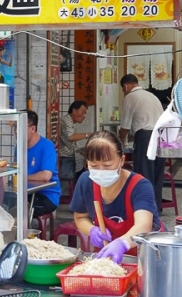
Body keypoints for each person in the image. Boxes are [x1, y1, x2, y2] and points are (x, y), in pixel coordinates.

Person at [71, 130, 160, 264]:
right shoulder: (86, 182)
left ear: (121, 160)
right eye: (94, 165)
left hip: (143, 258)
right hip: (105, 260)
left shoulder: (140, 186)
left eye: (107, 165)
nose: (100, 171)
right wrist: (92, 230)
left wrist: (122, 244)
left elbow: (144, 225)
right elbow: (80, 217)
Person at [118, 74, 165, 202]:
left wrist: (120, 141)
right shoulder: (151, 96)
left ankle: (144, 204)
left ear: (126, 86)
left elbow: (125, 126)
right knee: (157, 172)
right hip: (162, 136)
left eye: (123, 89)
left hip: (146, 137)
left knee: (144, 172)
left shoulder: (130, 97)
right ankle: (156, 204)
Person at [25, 110, 61, 217]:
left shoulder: (47, 146)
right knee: (4, 204)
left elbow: (46, 176)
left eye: (20, 128)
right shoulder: (19, 147)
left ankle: (28, 233)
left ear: (32, 128)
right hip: (27, 193)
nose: (16, 131)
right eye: (15, 127)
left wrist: (23, 177)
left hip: (47, 196)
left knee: (19, 210)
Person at [58, 100, 89, 183]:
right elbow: (70, 137)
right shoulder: (66, 121)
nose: (84, 116)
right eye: (83, 112)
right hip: (66, 159)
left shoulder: (70, 121)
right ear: (74, 111)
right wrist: (87, 135)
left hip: (72, 157)